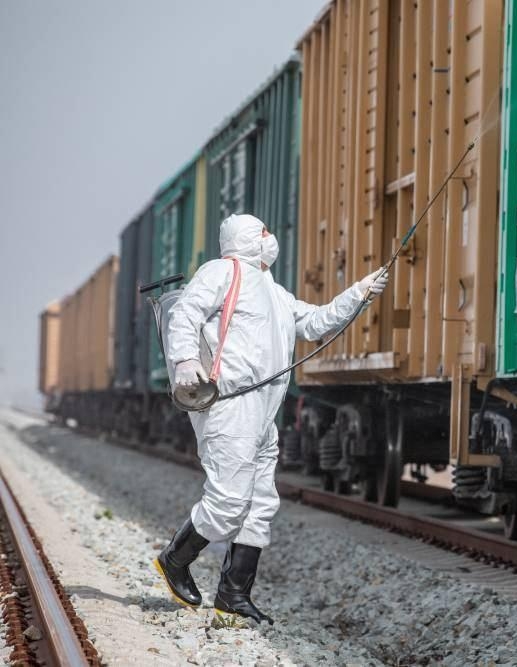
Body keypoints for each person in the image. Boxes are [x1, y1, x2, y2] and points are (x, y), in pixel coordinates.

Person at [153, 213, 388, 624]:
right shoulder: (221, 272)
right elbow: (185, 314)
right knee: (228, 501)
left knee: (261, 502)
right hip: (230, 404)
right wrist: (186, 358)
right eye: (262, 231)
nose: (270, 236)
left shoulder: (275, 293)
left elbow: (316, 322)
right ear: (245, 238)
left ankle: (234, 594)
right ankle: (175, 559)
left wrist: (359, 293)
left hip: (264, 411)